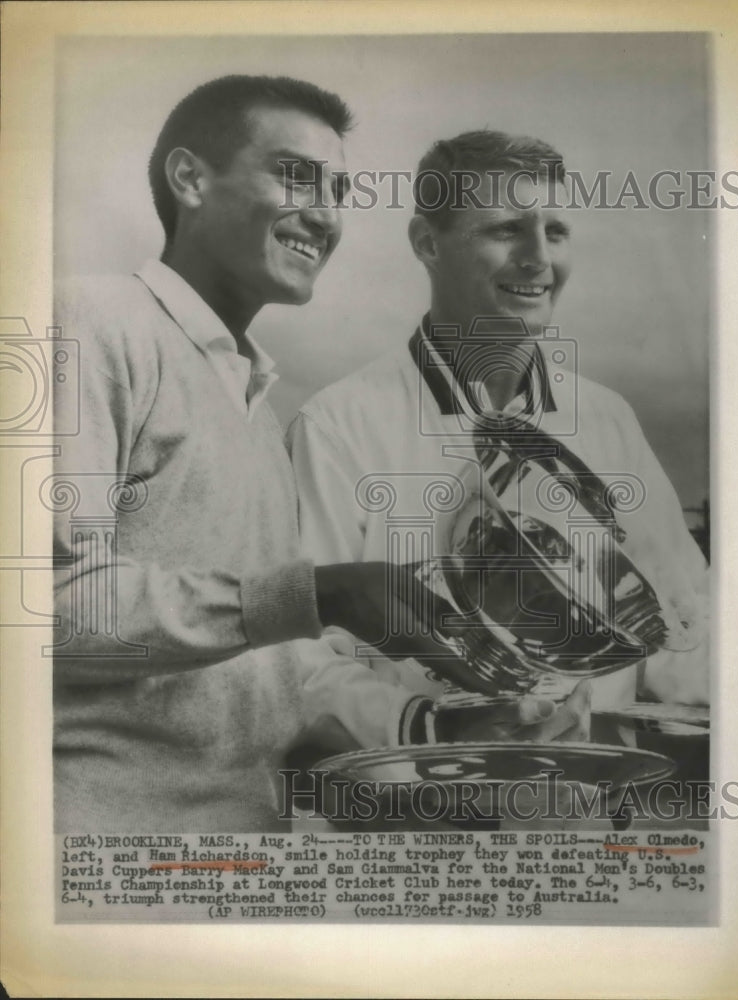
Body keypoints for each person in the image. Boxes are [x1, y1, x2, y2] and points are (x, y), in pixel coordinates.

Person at [51, 75, 474, 833]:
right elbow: (43, 610)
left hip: (242, 865)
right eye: (294, 175)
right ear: (190, 179)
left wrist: (424, 740)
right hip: (102, 867)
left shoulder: (255, 402)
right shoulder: (87, 319)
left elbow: (252, 669)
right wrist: (321, 594)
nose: (324, 215)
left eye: (337, 190)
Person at [289, 130, 709, 755]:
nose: (539, 258)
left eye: (556, 232)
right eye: (507, 230)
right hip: (416, 813)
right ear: (427, 242)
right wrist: (429, 724)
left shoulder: (606, 416)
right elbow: (299, 660)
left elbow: (684, 620)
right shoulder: (335, 426)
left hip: (582, 812)